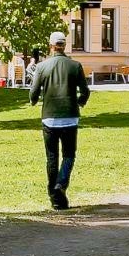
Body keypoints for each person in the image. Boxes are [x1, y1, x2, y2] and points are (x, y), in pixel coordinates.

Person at [29, 31, 90, 210]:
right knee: (69, 155)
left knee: (52, 156)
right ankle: (61, 185)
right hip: (70, 117)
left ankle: (54, 196)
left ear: (51, 46)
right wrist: (79, 102)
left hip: (49, 118)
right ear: (65, 45)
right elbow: (85, 91)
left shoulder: (42, 67)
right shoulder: (75, 65)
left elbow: (33, 91)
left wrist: (33, 101)